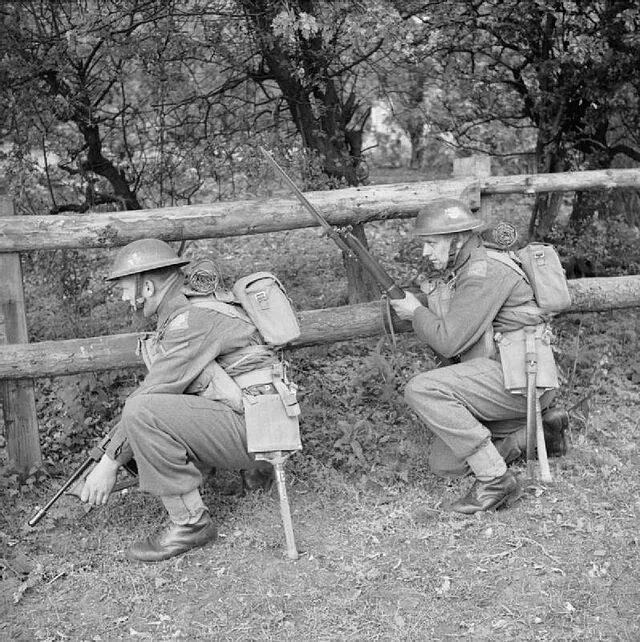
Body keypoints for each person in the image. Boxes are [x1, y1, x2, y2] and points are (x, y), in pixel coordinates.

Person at [80, 239, 277, 562]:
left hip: (259, 431)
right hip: (261, 421)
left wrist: (109, 462)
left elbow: (149, 398)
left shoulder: (190, 321)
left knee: (142, 411)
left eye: (125, 288)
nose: (124, 297)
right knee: (149, 409)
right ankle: (257, 471)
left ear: (147, 286)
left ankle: (190, 524)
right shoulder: (191, 309)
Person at [390, 199, 568, 514]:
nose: (426, 252)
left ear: (457, 238)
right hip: (507, 380)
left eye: (431, 243)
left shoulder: (483, 271)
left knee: (421, 388)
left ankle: (496, 480)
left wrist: (415, 311)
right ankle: (535, 433)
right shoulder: (470, 266)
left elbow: (449, 341)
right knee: (445, 464)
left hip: (520, 380)